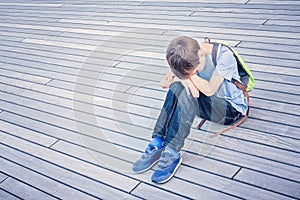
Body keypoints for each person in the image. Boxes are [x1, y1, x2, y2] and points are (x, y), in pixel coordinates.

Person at [132, 36, 248, 184]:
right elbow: (165, 82)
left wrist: (185, 78)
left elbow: (209, 90)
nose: (190, 74)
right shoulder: (186, 55)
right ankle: (157, 142)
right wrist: (184, 78)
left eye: (192, 72)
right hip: (208, 105)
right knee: (177, 87)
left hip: (230, 110)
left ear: (201, 55)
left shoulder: (224, 56)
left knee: (186, 91)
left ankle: (172, 151)